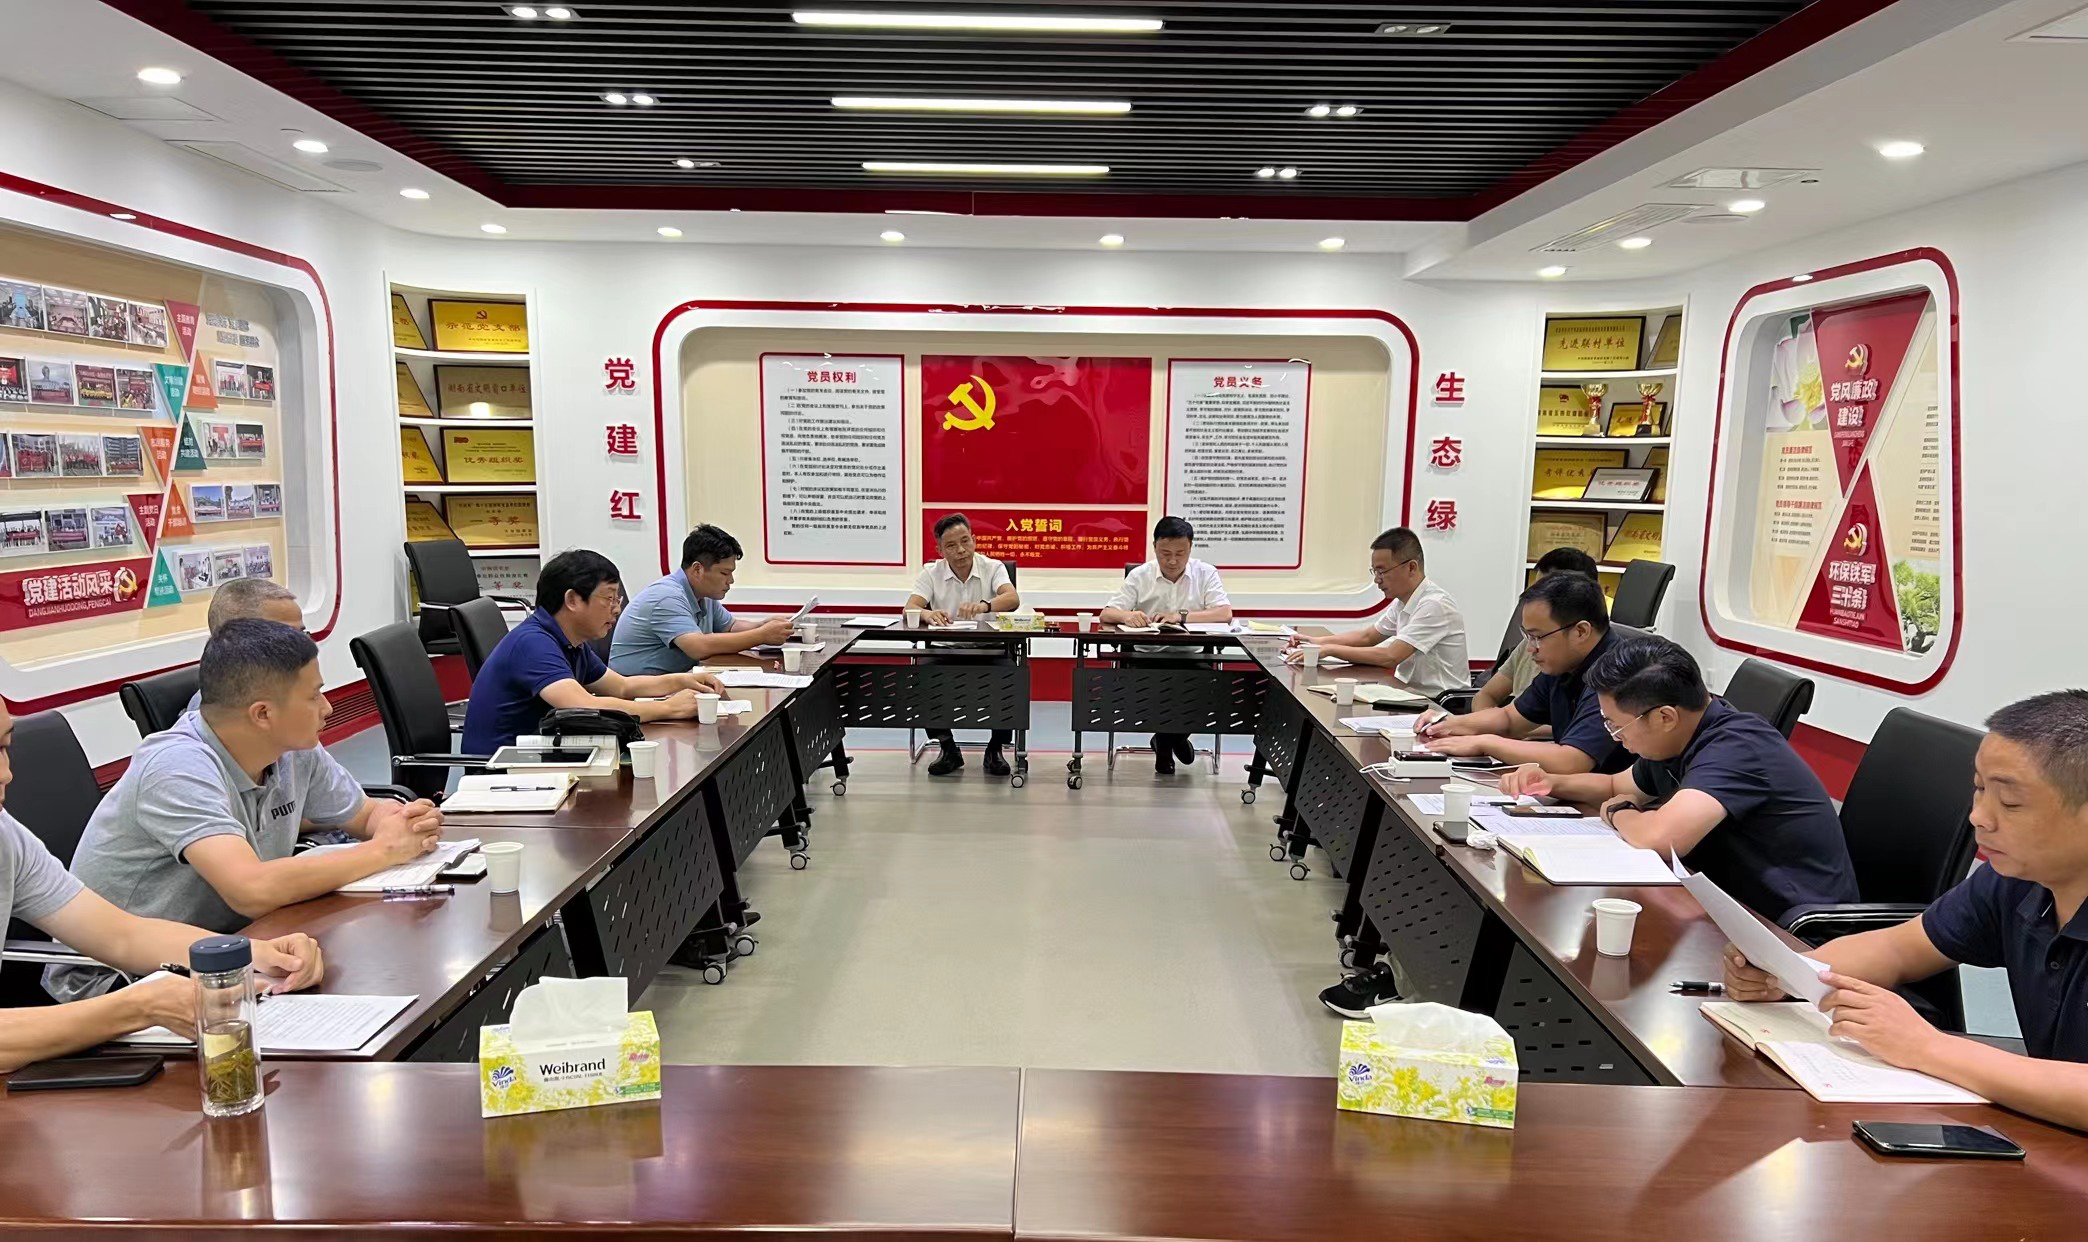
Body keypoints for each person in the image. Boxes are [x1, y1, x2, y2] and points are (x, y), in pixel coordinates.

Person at [1721, 691, 2088, 1132]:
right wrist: (1787, 975)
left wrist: (1927, 1046)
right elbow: (1899, 948)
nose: (1978, 816)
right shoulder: (2015, 880)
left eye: (2010, 802)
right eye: (1978, 788)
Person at [47, 620, 436, 1002]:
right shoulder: (177, 767)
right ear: (263, 714)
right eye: (314, 696)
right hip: (120, 977)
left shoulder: (293, 748)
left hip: (237, 942)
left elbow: (363, 815)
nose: (328, 707)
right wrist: (383, 850)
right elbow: (251, 890)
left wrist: (401, 823)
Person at [0, 702, 324, 1070]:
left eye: (5, 747)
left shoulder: (7, 837)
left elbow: (122, 935)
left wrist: (256, 954)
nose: (7, 772)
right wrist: (140, 1006)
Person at [1499, 635, 1857, 924]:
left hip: (1791, 929)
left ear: (1665, 717)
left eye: (1616, 725)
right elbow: (1614, 786)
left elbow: (1659, 838)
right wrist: (1550, 782)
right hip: (1723, 905)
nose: (1615, 737)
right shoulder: (1679, 737)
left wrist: (1620, 812)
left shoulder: (1738, 746)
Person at [464, 549, 728, 755]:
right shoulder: (533, 643)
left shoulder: (572, 642)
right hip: (503, 770)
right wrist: (669, 708)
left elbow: (622, 686)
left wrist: (683, 680)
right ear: (572, 600)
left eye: (617, 599)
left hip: (541, 754)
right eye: (608, 598)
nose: (617, 608)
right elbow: (585, 705)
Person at [1412, 572, 1629, 774]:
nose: (1530, 648)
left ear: (1581, 631)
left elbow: (1573, 761)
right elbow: (1509, 718)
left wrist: (1485, 743)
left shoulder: (1618, 672)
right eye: (1527, 637)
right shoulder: (1564, 664)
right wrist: (1450, 724)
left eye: (1538, 637)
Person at [1101, 516, 1233, 775]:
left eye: (1180, 554)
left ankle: (1165, 742)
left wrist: (1181, 616)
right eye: (1165, 554)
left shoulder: (1205, 573)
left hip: (1192, 657)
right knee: (1156, 688)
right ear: (1154, 547)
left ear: (1190, 548)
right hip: (1147, 657)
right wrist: (1127, 616)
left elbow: (1224, 613)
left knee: (1211, 692)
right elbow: (1107, 613)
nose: (1172, 561)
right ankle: (1173, 741)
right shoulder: (1141, 575)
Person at [1288, 527, 1468, 698]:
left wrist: (1329, 650)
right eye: (1374, 571)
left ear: (1411, 567)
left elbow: (1391, 656)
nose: (1376, 580)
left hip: (1440, 704)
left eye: (1382, 571)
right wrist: (1316, 642)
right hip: (1409, 694)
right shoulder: (1403, 602)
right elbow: (1367, 637)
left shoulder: (1434, 605)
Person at [905, 513, 1021, 777]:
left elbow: (1012, 598)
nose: (960, 550)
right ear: (940, 550)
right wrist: (927, 614)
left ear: (974, 540)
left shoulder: (993, 567)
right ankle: (948, 748)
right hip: (946, 649)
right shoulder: (931, 572)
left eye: (965, 541)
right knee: (923, 677)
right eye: (951, 545)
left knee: (1010, 676)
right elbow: (910, 607)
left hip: (989, 649)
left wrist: (985, 606)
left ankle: (995, 749)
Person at [609, 524, 794, 674]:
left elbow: (730, 626)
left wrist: (764, 625)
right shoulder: (667, 597)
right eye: (724, 573)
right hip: (635, 690)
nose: (730, 580)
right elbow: (699, 647)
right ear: (698, 569)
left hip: (672, 682)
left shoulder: (703, 594)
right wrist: (762, 635)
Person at [1472, 547, 1600, 712]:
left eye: (1546, 593)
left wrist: (1501, 724)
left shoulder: (1594, 670)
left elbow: (1556, 724)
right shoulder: (1529, 644)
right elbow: (1487, 695)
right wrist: (1485, 723)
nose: (1537, 599)